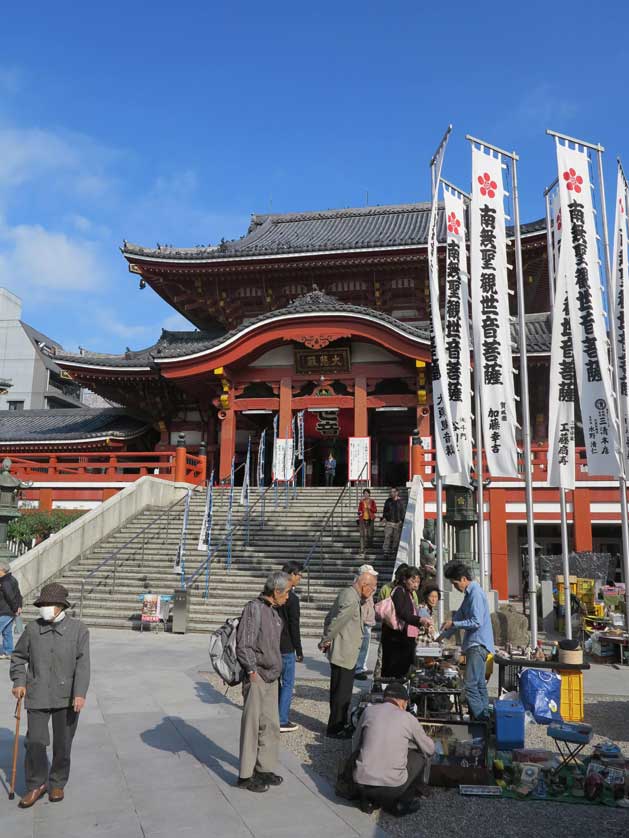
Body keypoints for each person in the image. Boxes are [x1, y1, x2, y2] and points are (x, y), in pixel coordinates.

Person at [10, 582, 90, 808]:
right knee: (35, 740)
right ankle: (36, 784)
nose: (45, 608)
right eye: (42, 604)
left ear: (61, 607)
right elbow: (18, 657)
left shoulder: (79, 630)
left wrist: (80, 693)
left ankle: (57, 782)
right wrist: (19, 681)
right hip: (37, 693)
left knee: (63, 744)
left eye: (50, 604)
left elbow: (83, 665)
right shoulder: (33, 629)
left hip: (67, 697)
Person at [236, 570, 291, 793]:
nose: (288, 596)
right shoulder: (254, 609)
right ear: (276, 591)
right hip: (257, 676)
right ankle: (245, 775)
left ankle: (264, 767)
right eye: (286, 592)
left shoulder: (274, 612)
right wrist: (251, 672)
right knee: (251, 726)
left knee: (270, 725)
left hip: (271, 677)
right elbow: (244, 644)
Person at [352, 681, 435, 816]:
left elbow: (355, 743)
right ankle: (403, 803)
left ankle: (367, 800)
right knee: (419, 758)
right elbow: (429, 749)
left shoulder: (369, 711)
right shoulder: (408, 718)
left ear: (385, 698)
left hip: (361, 783)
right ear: (403, 702)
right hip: (392, 787)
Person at [320, 566, 378, 738]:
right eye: (372, 587)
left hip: (345, 651)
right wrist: (326, 639)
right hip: (344, 651)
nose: (373, 591)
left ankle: (339, 723)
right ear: (364, 584)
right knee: (341, 693)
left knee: (341, 691)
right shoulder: (352, 599)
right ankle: (336, 727)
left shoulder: (350, 594)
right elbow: (337, 621)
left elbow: (330, 617)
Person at [440, 562, 495, 721]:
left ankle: (480, 720)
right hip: (478, 645)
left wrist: (454, 624)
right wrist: (442, 635)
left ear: (464, 579)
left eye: (455, 583)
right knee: (479, 684)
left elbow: (476, 621)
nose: (455, 587)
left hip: (477, 644)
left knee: (470, 686)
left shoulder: (476, 594)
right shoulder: (470, 595)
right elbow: (459, 616)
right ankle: (485, 717)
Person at [381, 566, 430, 679]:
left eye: (418, 582)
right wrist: (419, 620)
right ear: (404, 579)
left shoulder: (410, 594)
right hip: (395, 639)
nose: (416, 585)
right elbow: (402, 612)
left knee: (403, 670)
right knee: (394, 671)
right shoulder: (399, 591)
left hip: (404, 638)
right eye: (413, 581)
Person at [278, 561, 304, 733]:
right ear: (292, 575)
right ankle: (282, 719)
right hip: (286, 646)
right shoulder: (291, 599)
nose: (301, 578)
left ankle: (273, 713)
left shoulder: (273, 593)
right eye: (299, 574)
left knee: (275, 682)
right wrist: (299, 649)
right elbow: (294, 625)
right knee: (287, 683)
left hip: (272, 643)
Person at [354, 563, 376, 680]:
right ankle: (358, 668)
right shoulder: (360, 585)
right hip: (363, 619)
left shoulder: (366, 584)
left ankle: (362, 666)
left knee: (365, 646)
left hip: (367, 618)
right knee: (362, 646)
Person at [0, 559, 22, 660]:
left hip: (5, 611)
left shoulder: (5, 582)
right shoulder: (12, 579)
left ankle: (8, 651)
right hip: (9, 612)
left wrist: (15, 609)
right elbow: (19, 595)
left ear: (1, 569)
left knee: (5, 631)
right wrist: (19, 606)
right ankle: (8, 652)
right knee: (7, 632)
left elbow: (11, 597)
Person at [381, 487, 406, 559]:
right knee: (387, 537)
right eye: (391, 492)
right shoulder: (388, 501)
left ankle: (394, 550)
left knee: (396, 538)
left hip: (397, 522)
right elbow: (385, 510)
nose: (391, 493)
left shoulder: (401, 502)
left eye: (393, 492)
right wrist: (384, 518)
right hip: (389, 522)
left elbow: (403, 512)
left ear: (397, 492)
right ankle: (385, 551)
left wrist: (402, 520)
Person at [357, 489, 377, 554]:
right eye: (364, 493)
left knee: (370, 534)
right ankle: (362, 548)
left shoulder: (372, 501)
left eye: (367, 493)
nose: (365, 495)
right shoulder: (361, 502)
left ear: (369, 494)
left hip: (370, 519)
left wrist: (370, 507)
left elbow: (375, 510)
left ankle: (370, 546)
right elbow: (359, 511)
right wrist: (360, 515)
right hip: (363, 520)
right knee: (362, 534)